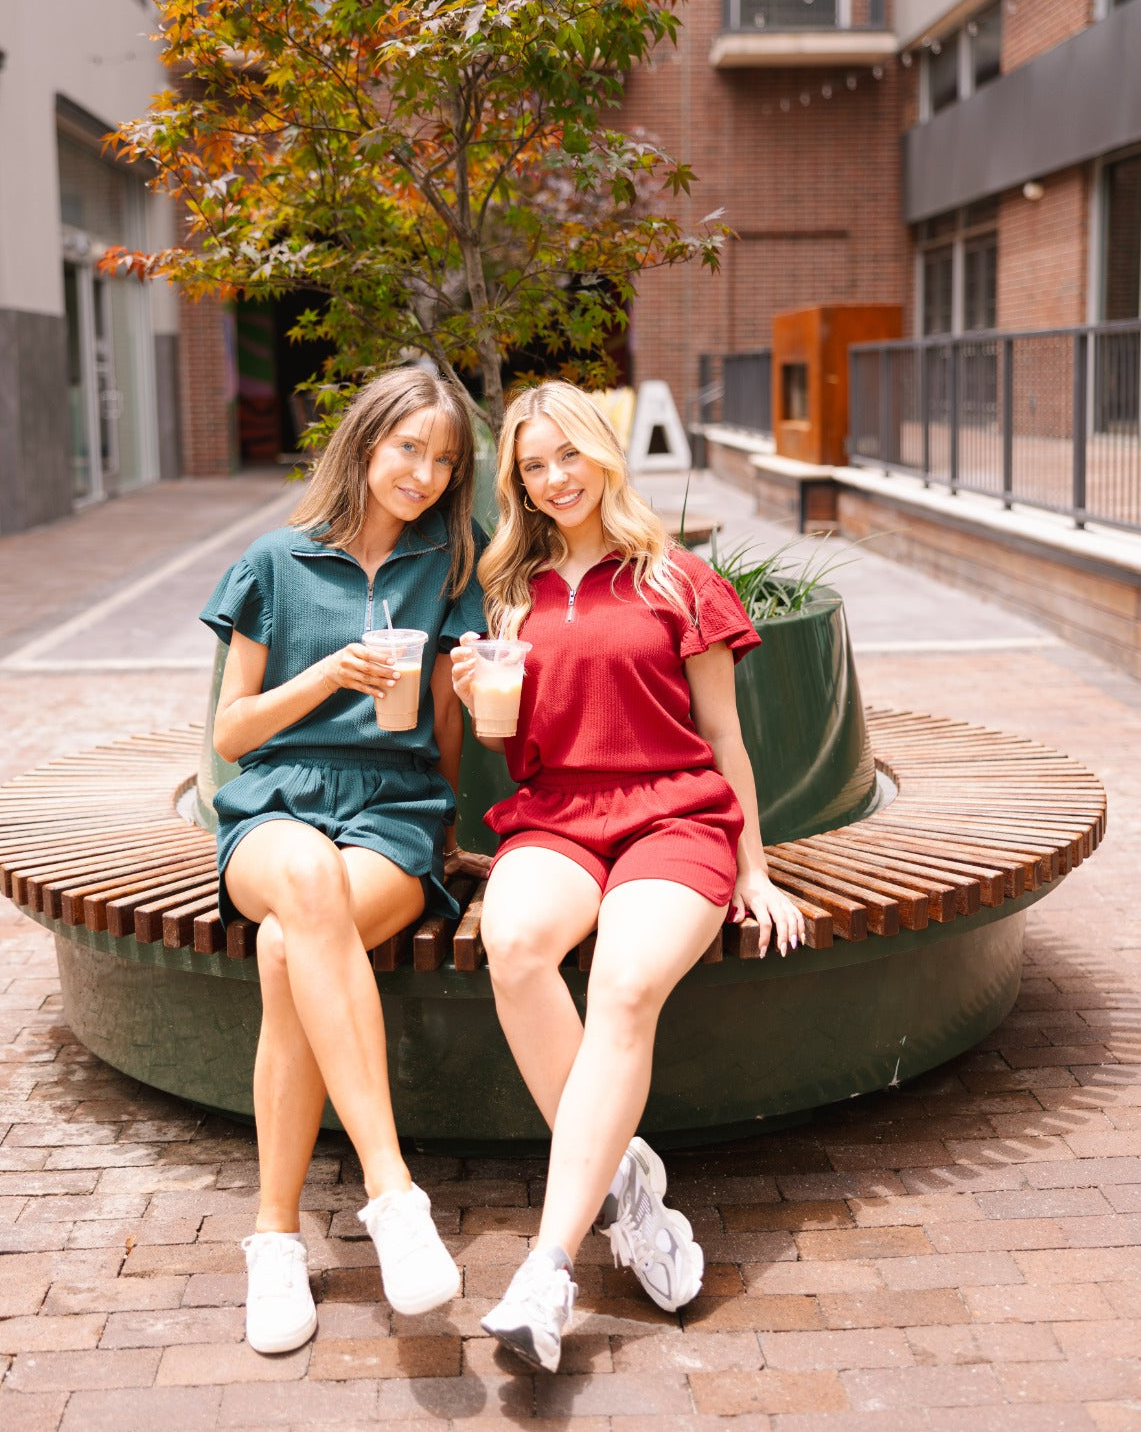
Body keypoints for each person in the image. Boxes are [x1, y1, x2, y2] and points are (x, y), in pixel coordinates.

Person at [450, 381, 806, 1372]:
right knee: (514, 947)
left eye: (567, 455)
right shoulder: (510, 591)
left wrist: (756, 869)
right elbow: (514, 742)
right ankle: (625, 1184)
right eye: (531, 467)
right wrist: (481, 689)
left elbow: (724, 738)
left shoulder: (675, 578)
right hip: (556, 814)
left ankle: (548, 1269)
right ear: (516, 484)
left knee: (622, 983)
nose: (553, 479)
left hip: (673, 813)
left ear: (603, 455)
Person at [200, 365, 488, 1355]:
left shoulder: (450, 562)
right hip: (274, 805)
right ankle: (392, 1195)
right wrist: (326, 673)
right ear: (365, 443)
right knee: (304, 890)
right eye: (409, 446)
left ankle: (273, 1239)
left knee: (289, 951)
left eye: (444, 459)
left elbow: (447, 716)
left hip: (394, 809)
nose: (424, 472)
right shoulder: (274, 562)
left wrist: (444, 830)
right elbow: (231, 733)